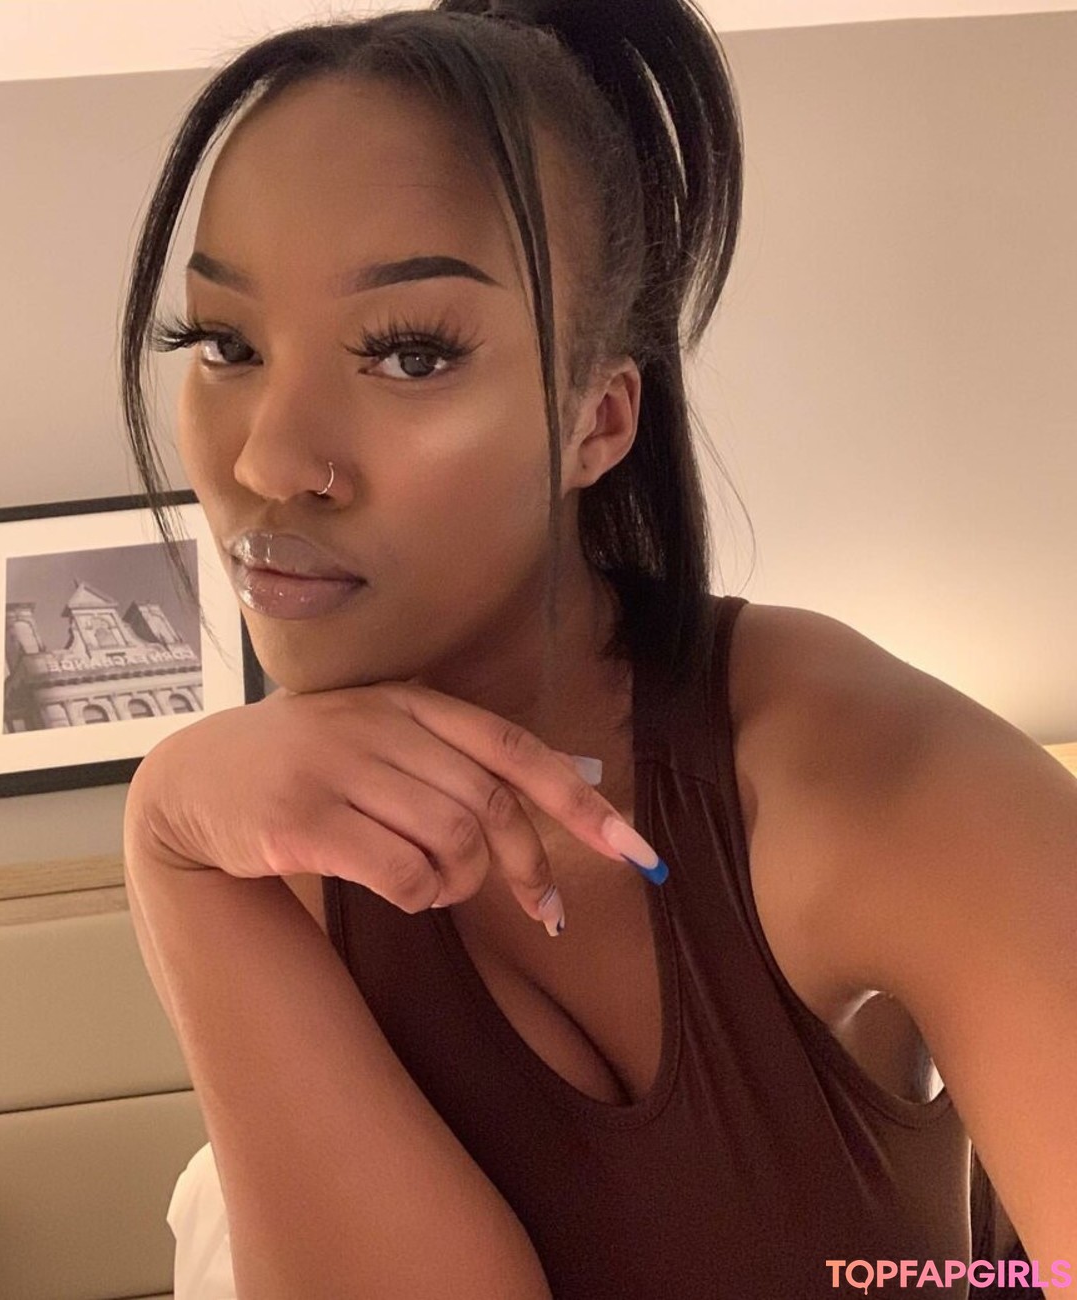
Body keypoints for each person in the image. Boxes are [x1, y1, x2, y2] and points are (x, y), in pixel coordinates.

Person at [117, 2, 1075, 1297]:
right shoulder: (265, 844)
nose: (269, 460)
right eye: (225, 344)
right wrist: (168, 844)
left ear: (599, 421)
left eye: (409, 354)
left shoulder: (873, 777)